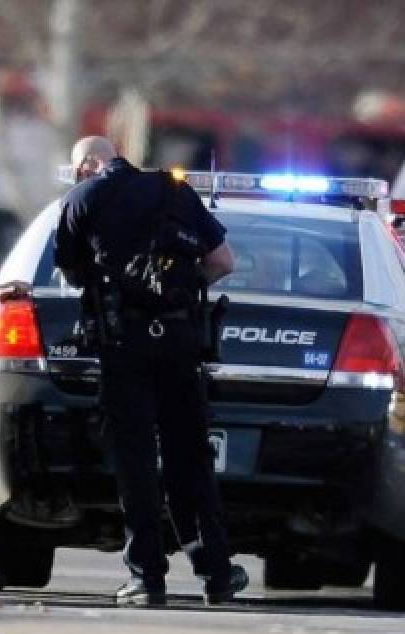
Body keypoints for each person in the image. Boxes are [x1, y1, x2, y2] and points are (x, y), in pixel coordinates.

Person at [53, 135, 248, 606]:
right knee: (190, 456)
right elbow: (223, 261)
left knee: (135, 459)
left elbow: (68, 275)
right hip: (181, 340)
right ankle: (216, 573)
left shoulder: (82, 198)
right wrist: (180, 291)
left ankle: (147, 578)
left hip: (123, 343)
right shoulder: (175, 190)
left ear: (86, 167)